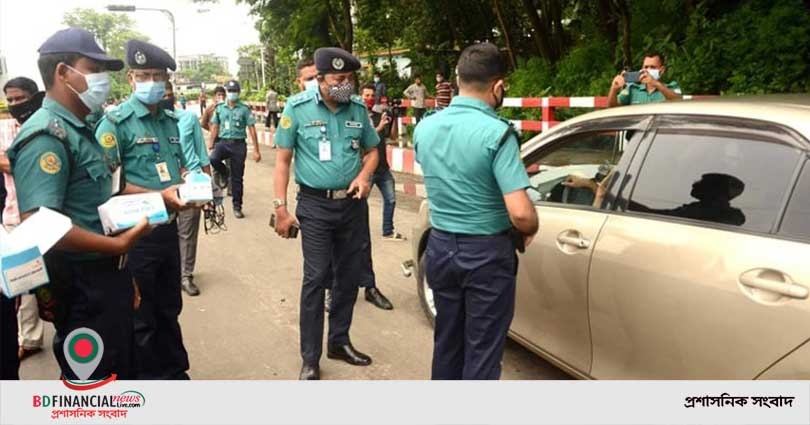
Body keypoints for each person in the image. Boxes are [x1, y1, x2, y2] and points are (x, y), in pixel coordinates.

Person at [8, 27, 151, 380]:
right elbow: (39, 222)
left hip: (105, 274)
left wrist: (121, 266)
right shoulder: (46, 135)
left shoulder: (80, 128)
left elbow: (99, 200)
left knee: (119, 375)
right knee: (92, 386)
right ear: (63, 73)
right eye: (94, 69)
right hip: (80, 284)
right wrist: (116, 245)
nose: (102, 79)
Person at [414, 42, 538, 380]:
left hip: (440, 248)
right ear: (498, 86)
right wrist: (529, 227)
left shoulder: (424, 127)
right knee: (482, 354)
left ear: (457, 79)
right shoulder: (497, 134)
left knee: (447, 343)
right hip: (486, 257)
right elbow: (522, 214)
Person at [273, 47, 379, 380]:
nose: (346, 84)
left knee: (347, 277)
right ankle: (310, 357)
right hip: (315, 206)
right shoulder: (297, 108)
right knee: (316, 278)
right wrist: (280, 208)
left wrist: (364, 176)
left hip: (351, 205)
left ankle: (339, 341)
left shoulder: (358, 109)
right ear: (319, 79)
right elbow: (282, 161)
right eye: (339, 78)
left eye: (350, 78)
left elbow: (373, 150)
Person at [94, 39, 192, 380]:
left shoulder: (169, 122)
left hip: (167, 228)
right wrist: (161, 194)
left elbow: (172, 169)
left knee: (169, 306)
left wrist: (187, 184)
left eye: (158, 76)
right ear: (132, 79)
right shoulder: (115, 124)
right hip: (135, 232)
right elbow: (110, 182)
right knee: (141, 313)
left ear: (167, 80)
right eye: (144, 75)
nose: (152, 82)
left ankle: (174, 372)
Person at [2, 77, 46, 362]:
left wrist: (13, 160)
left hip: (46, 217)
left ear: (34, 96)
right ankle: (30, 338)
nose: (16, 104)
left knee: (53, 279)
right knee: (22, 280)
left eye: (21, 98)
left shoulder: (44, 124)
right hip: (14, 215)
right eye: (11, 100)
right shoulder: (5, 128)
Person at [162, 81, 211, 296]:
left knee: (188, 232)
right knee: (164, 232)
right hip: (162, 185)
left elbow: (201, 154)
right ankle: (169, 272)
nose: (165, 98)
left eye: (169, 94)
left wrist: (210, 191)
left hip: (191, 183)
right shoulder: (150, 125)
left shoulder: (188, 119)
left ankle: (186, 275)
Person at [207, 79, 262, 219]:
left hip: (238, 145)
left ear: (239, 92)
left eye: (235, 91)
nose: (232, 94)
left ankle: (237, 206)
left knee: (237, 179)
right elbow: (215, 126)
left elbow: (252, 129)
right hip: (223, 143)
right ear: (226, 93)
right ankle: (225, 172)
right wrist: (211, 142)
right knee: (213, 159)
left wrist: (256, 150)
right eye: (230, 91)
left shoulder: (244, 109)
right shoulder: (220, 108)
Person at [608, 51, 682, 107]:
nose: (648, 70)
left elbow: (679, 102)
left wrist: (656, 84)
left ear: (661, 70)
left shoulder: (671, 87)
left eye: (652, 67)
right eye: (646, 67)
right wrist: (614, 89)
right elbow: (612, 107)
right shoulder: (632, 88)